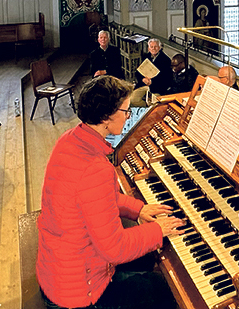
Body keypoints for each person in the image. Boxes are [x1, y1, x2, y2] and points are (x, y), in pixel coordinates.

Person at [37, 76, 184, 309]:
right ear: (106, 118)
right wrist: (158, 230)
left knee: (146, 258)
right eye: (126, 110)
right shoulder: (95, 168)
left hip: (58, 268)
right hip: (80, 292)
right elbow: (114, 249)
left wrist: (138, 209)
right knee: (167, 291)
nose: (128, 116)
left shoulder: (70, 139)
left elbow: (98, 200)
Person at [130, 38, 171, 107]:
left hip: (157, 87)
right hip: (144, 84)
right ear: (148, 48)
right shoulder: (145, 57)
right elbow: (138, 72)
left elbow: (166, 78)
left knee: (154, 104)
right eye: (151, 47)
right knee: (133, 100)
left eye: (156, 47)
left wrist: (152, 81)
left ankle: (150, 110)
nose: (153, 49)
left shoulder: (166, 60)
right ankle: (146, 107)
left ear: (160, 48)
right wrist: (143, 79)